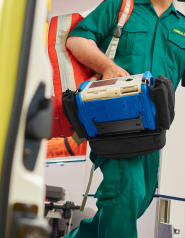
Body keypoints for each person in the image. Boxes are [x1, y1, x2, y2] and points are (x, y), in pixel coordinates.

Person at [65, 0, 185, 237]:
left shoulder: (181, 25)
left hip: (153, 129)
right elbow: (76, 39)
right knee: (126, 192)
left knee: (139, 198)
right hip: (112, 121)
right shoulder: (121, 5)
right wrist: (107, 66)